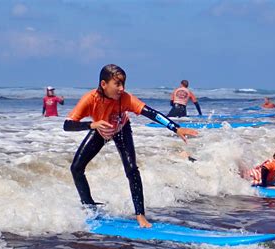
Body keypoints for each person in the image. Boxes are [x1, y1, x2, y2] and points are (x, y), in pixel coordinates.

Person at [63, 64, 198, 228]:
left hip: (121, 129)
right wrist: (92, 125)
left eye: (123, 84)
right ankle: (89, 207)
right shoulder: (90, 99)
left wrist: (176, 128)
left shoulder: (125, 98)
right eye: (117, 84)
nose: (121, 88)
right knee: (76, 168)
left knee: (132, 169)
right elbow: (68, 125)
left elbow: (152, 113)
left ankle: (140, 216)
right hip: (100, 130)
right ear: (104, 84)